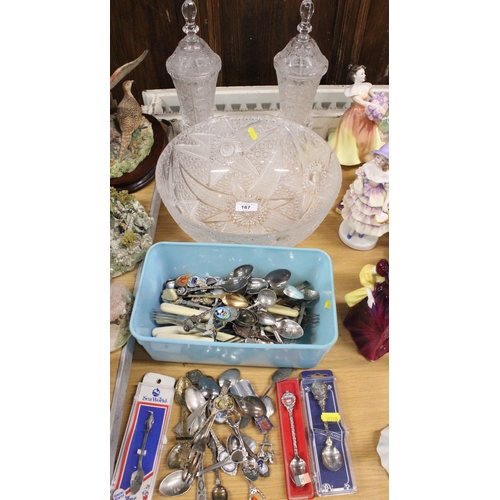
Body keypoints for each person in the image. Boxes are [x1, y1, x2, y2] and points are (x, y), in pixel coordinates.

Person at [328, 64, 388, 166]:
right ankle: (354, 155)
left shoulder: (367, 86)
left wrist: (381, 101)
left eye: (364, 73)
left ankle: (367, 154)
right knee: (355, 135)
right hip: (356, 115)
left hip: (368, 113)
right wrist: (377, 107)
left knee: (371, 132)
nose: (364, 75)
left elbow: (374, 96)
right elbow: (363, 103)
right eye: (361, 73)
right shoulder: (352, 91)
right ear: (355, 75)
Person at [338, 144, 389, 250]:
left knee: (367, 216)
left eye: (383, 160)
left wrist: (385, 204)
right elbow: (362, 177)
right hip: (365, 191)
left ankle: (361, 231)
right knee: (357, 211)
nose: (379, 161)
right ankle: (352, 230)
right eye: (378, 157)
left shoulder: (387, 174)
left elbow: (388, 190)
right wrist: (361, 179)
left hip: (376, 195)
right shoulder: (369, 166)